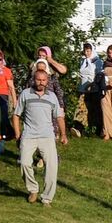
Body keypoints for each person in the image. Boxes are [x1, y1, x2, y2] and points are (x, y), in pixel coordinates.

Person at [14, 64, 68, 206]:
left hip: (47, 136)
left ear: (47, 81)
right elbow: (16, 115)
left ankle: (47, 198)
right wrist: (18, 134)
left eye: (43, 80)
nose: (41, 82)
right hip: (29, 134)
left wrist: (63, 134)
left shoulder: (52, 96)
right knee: (24, 163)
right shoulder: (25, 94)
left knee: (52, 166)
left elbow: (59, 116)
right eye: (38, 80)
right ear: (34, 79)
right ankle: (33, 189)